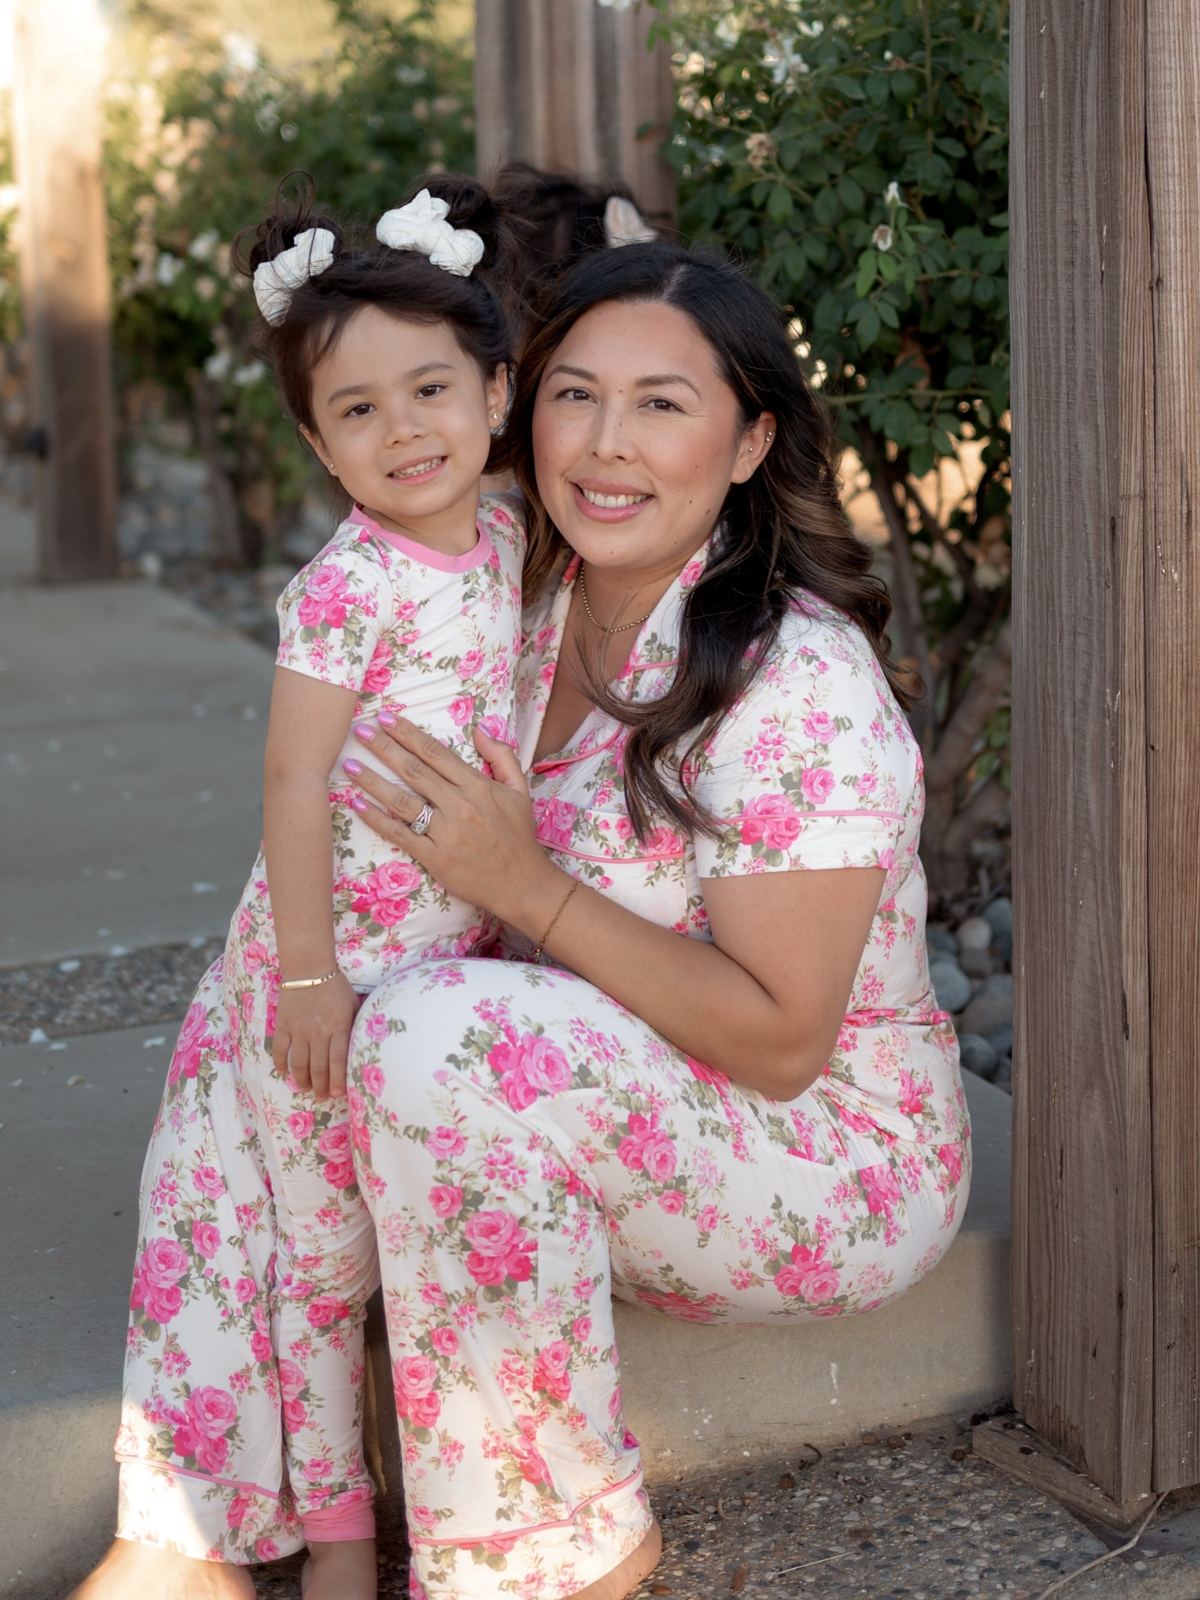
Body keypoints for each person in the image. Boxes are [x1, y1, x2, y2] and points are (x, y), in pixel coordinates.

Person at [75, 239, 969, 1600]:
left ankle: (553, 1551)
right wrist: (295, 974)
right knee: (249, 1029)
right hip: (578, 1086)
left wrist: (525, 886)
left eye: (664, 405)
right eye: (576, 395)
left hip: (813, 1152)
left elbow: (787, 1046)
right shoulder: (516, 581)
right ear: (519, 405)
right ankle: (188, 1521)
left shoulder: (796, 680)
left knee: (438, 1035)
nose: (608, 445)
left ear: (749, 443)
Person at [78, 174, 525, 1600]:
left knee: (413, 1240)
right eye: (357, 409)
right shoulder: (346, 589)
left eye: (431, 389)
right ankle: (338, 1542)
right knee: (325, 1266)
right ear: (319, 445)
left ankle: (452, 1507)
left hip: (451, 971)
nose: (404, 430)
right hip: (328, 980)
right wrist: (311, 979)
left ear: (498, 398)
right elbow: (291, 787)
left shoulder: (514, 540)